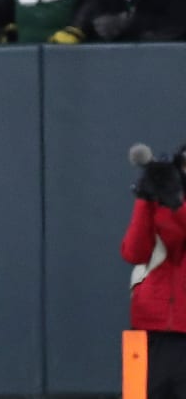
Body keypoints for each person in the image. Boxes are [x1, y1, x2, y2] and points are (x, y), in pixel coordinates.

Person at [121, 143, 186, 399]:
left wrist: (177, 205)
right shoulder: (163, 205)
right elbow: (134, 253)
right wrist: (145, 201)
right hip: (153, 327)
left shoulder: (175, 206)